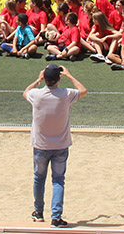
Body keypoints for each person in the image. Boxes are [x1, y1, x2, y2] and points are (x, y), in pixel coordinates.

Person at [23, 65, 87, 228]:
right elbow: (83, 90)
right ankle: (56, 217)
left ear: (45, 78)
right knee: (58, 180)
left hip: (40, 145)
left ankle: (38, 212)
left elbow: (25, 92)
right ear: (58, 79)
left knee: (39, 178)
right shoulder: (66, 94)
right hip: (60, 145)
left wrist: (37, 80)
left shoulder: (36, 95)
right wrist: (69, 76)